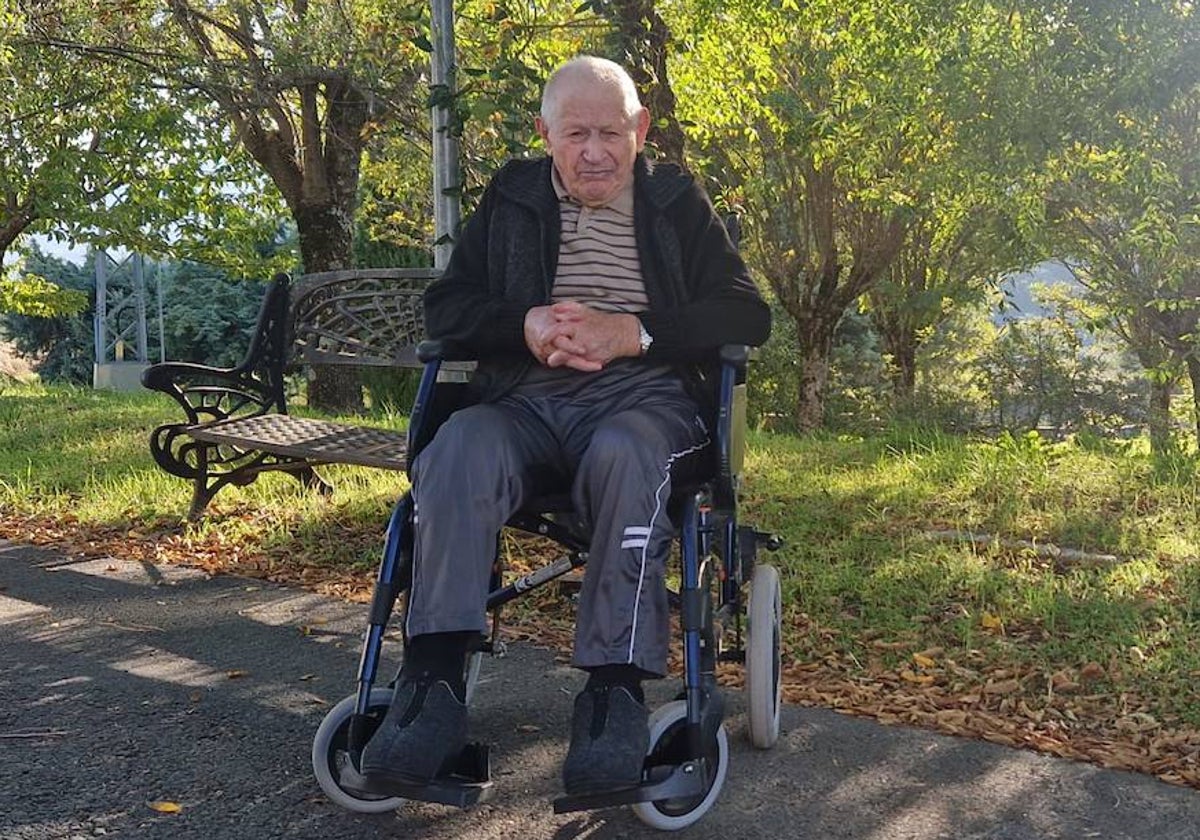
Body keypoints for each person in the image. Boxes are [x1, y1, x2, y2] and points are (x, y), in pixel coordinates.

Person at [360, 55, 771, 795]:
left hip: (648, 402)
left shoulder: (676, 200)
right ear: (544, 133)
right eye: (575, 132)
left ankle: (613, 694)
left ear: (639, 131)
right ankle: (432, 690)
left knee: (624, 455)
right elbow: (446, 308)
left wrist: (632, 333)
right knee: (457, 451)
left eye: (611, 132)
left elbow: (746, 313)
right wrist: (523, 324)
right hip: (524, 399)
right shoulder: (514, 195)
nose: (594, 151)